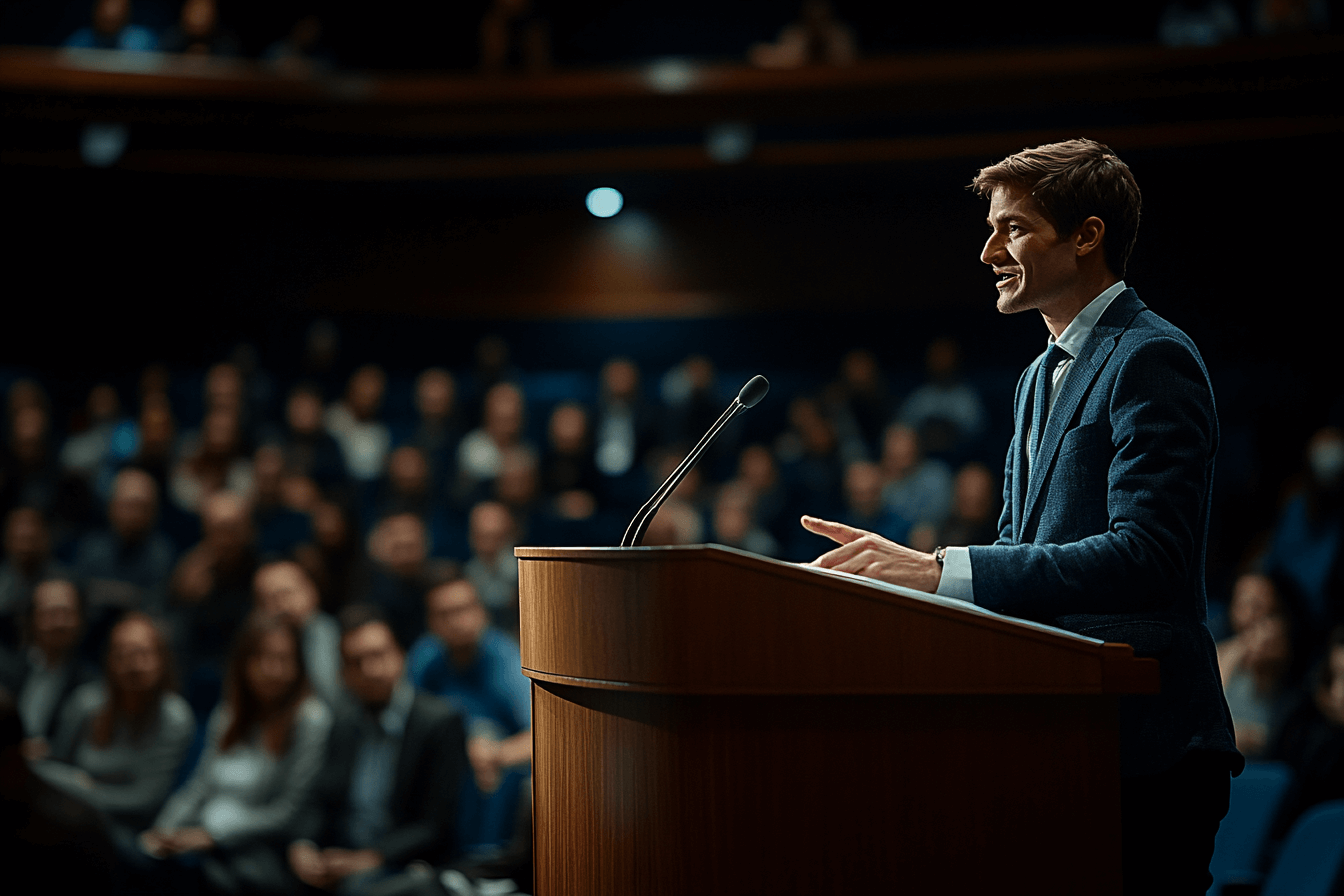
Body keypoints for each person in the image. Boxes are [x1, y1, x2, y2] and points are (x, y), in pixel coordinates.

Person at [802, 138, 1240, 894]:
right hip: (1060, 738)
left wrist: (939, 570)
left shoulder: (1151, 357)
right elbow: (1020, 555)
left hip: (1147, 748)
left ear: (1086, 236)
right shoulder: (1036, 377)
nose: (987, 252)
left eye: (1012, 228)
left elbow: (1148, 554)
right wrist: (916, 600)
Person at [142, 612, 332, 894]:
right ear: (244, 663)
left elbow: (289, 811)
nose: (273, 669)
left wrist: (213, 836)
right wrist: (165, 830)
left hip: (258, 849)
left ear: (299, 666)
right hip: (201, 837)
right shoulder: (228, 714)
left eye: (284, 659)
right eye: (262, 658)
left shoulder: (311, 720)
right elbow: (199, 787)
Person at [288, 605, 468, 893]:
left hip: (406, 863)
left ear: (400, 655)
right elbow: (320, 799)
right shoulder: (343, 722)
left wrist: (371, 858)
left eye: (378, 655)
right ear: (343, 673)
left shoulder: (439, 722)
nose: (370, 671)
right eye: (356, 662)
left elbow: (435, 826)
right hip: (342, 858)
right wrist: (303, 845)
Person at [39, 612, 195, 840]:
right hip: (68, 817)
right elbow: (53, 766)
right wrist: (75, 784)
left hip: (126, 832)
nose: (133, 664)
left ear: (162, 660)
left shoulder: (174, 716)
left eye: (143, 653)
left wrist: (84, 787)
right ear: (109, 660)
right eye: (123, 653)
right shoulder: (85, 703)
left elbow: (144, 801)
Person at [407, 578, 530, 849]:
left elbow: (541, 736)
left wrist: (495, 754)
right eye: (445, 614)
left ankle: (483, 862)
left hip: (496, 767)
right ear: (431, 622)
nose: (457, 621)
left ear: (482, 612)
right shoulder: (425, 658)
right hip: (442, 765)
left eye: (464, 609)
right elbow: (407, 723)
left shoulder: (507, 660)